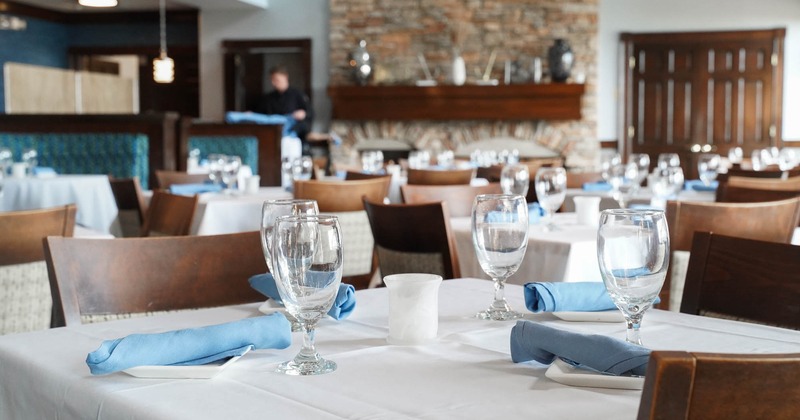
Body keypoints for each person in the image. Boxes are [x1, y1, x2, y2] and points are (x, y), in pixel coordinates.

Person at [254, 65, 314, 154]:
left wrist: (303, 114)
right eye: (272, 80)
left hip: (294, 136)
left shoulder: (297, 95)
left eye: (276, 80)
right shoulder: (269, 98)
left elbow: (311, 113)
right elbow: (262, 116)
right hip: (274, 137)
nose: (274, 83)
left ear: (285, 77)